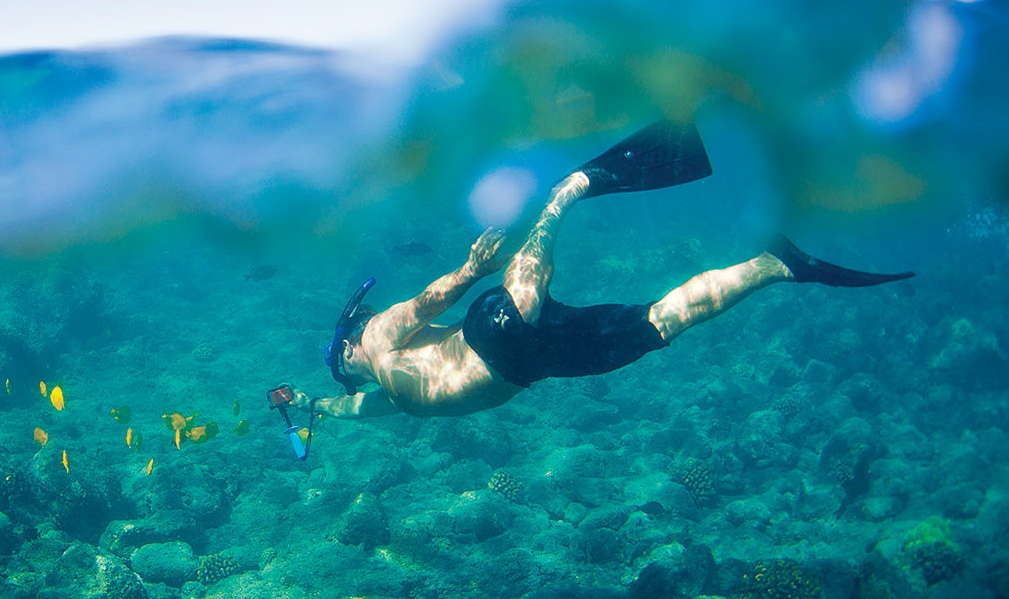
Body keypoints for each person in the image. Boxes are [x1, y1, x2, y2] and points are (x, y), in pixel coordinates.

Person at [296, 120, 911, 421]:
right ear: (350, 343)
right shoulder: (373, 354)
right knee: (658, 323)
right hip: (521, 352)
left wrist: (309, 401)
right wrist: (465, 272)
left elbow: (358, 393)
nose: (368, 326)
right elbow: (424, 305)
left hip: (500, 344)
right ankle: (775, 264)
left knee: (628, 314)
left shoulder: (379, 375)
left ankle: (571, 189)